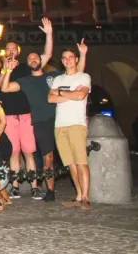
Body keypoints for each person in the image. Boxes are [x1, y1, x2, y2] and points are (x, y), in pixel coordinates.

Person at [0, 19, 61, 202]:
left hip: (29, 117)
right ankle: (15, 186)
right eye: (7, 48)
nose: (34, 60)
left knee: (30, 152)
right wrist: (7, 70)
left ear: (19, 52)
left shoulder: (28, 69)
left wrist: (49, 33)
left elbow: (47, 53)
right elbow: (3, 88)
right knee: (14, 153)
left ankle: (36, 187)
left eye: (14, 49)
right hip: (12, 116)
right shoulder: (16, 75)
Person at [49, 40, 92, 210]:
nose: (68, 60)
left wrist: (61, 92)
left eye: (71, 57)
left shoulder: (84, 77)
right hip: (60, 125)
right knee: (70, 164)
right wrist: (71, 93)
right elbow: (50, 98)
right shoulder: (58, 78)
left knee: (81, 162)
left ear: (76, 59)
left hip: (76, 123)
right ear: (62, 61)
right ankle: (79, 195)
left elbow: (81, 96)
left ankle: (86, 198)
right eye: (65, 58)